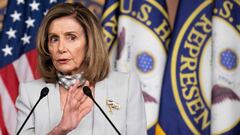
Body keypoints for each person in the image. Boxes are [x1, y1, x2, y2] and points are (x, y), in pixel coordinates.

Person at [15, 2, 147, 135]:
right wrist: (60, 130)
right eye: (54, 39)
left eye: (71, 37)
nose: (61, 48)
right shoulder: (32, 94)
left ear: (90, 42)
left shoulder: (126, 86)